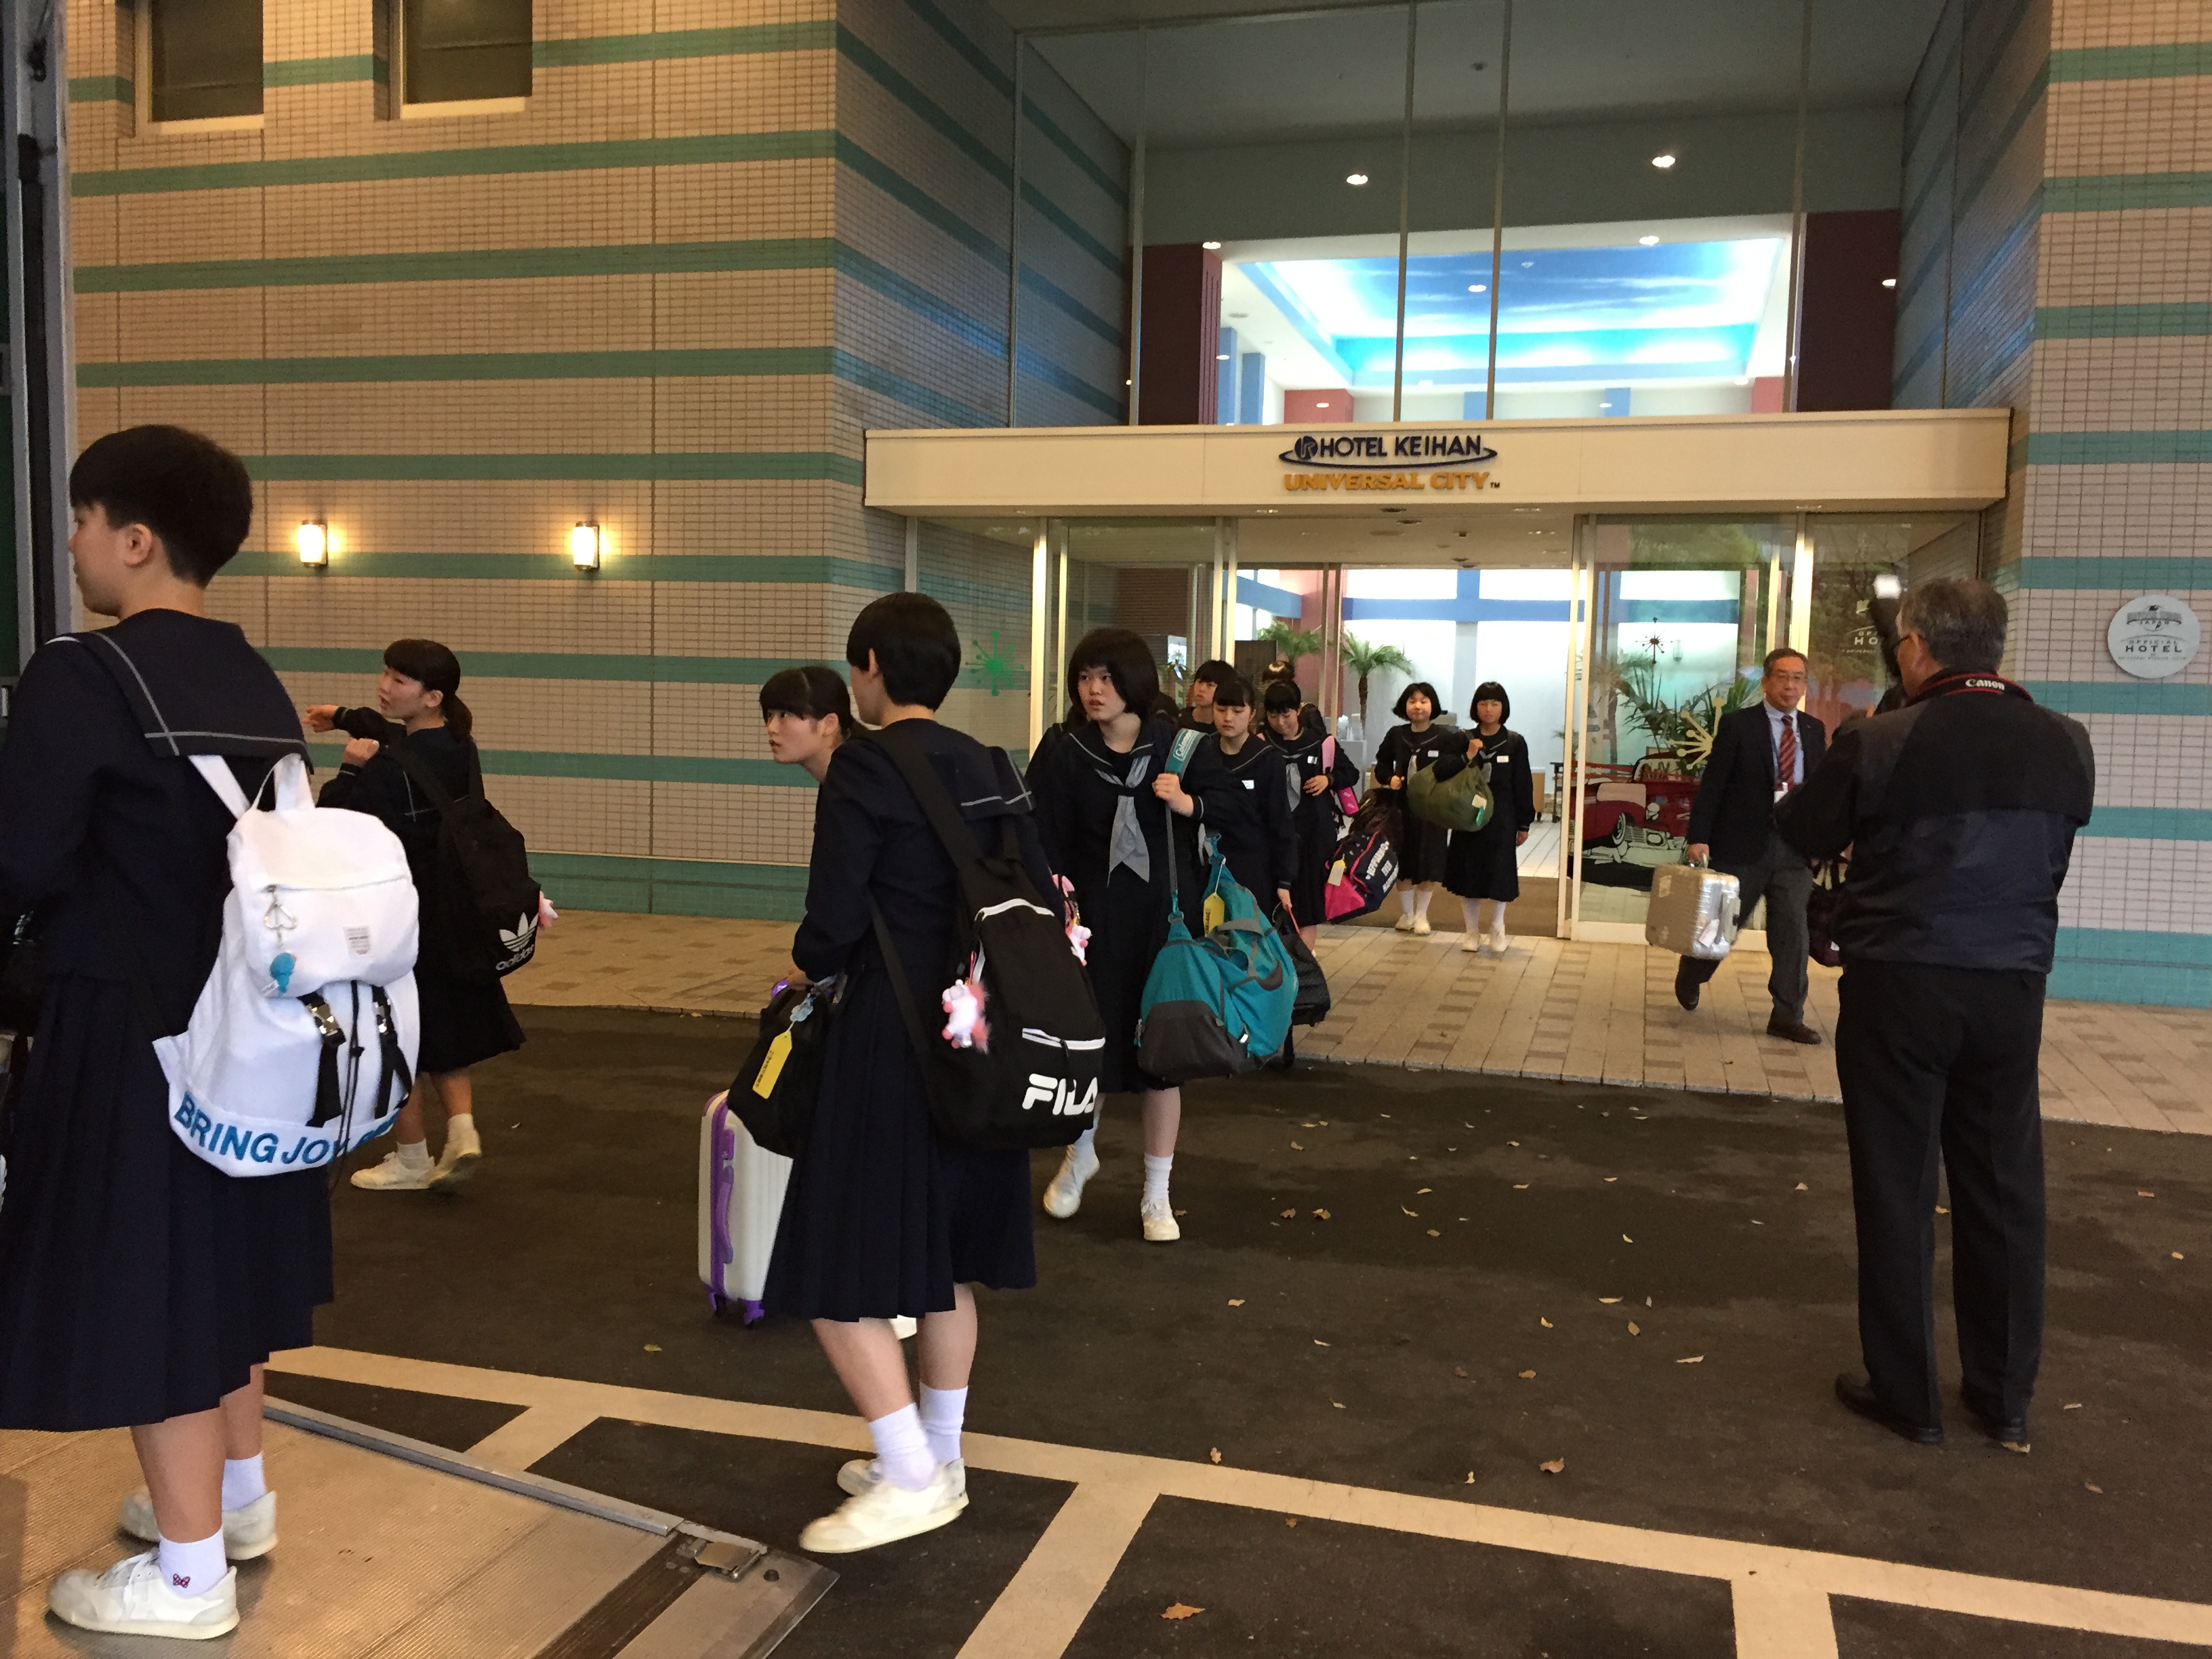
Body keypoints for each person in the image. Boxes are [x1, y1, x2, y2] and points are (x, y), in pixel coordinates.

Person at [0, 426, 325, 1640]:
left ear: (134, 539)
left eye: (83, 521)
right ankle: (235, 1503)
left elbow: (21, 857)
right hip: (252, 1035)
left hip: (128, 1033)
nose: (73, 543)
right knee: (220, 1275)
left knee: (156, 1290)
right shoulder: (249, 674)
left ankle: (190, 1579)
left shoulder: (83, 675)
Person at [763, 593, 1056, 1552]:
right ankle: (939, 1454)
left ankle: (909, 1473)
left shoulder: (865, 766)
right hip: (982, 1038)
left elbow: (832, 925)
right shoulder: (993, 764)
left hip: (888, 1043)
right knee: (948, 1263)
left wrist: (805, 966)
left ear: (872, 668)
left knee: (834, 1268)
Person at [1777, 578, 2093, 1450]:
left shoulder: (1881, 739)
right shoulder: (2065, 740)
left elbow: (1804, 831)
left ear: (1914, 647)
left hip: (1902, 981)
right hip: (2012, 985)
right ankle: (2004, 1395)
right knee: (2004, 1185)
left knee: (1898, 1182)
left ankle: (1907, 1393)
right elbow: (2052, 858)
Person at [308, 642, 525, 1192]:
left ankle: (411, 1159)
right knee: (442, 1026)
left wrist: (350, 769)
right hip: (455, 912)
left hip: (402, 918)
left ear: (432, 697)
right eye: (386, 673)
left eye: (400, 680)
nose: (385, 686)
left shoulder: (386, 768)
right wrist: (342, 716)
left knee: (396, 1035)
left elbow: (332, 820)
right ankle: (462, 1129)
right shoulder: (458, 743)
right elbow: (394, 733)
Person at [1029, 628, 1202, 1244]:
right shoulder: (1066, 752)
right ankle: (1080, 1156)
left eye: (1105, 677)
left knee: (1163, 1060)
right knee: (1088, 1050)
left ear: (1134, 681)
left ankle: (1158, 1194)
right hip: (1090, 927)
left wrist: (1189, 806)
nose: (1093, 690)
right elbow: (1041, 838)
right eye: (1084, 678)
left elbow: (1236, 821)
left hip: (1163, 926)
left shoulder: (1179, 748)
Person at [1676, 648, 1826, 1044]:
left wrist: (1823, 839)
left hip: (1794, 848)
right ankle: (1692, 973)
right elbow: (1714, 785)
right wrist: (1699, 837)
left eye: (1797, 678)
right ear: (1766, 682)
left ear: (1804, 685)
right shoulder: (1739, 725)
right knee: (1722, 926)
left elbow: (1820, 791)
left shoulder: (1813, 729)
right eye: (1782, 677)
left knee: (1793, 933)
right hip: (1743, 844)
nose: (1790, 685)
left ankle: (1788, 1015)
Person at [1159, 673, 1296, 920]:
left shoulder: (1267, 759)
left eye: (1237, 711)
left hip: (1251, 867)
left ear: (1252, 714)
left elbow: (1280, 821)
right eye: (1221, 710)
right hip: (1204, 866)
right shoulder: (1201, 752)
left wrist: (1284, 880)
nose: (1228, 718)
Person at [1435, 681, 1536, 955]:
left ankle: (1497, 926)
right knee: (1468, 872)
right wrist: (1467, 755)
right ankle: (1471, 931)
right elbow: (1441, 771)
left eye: (1494, 704)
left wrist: (1524, 822)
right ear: (1475, 707)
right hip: (1467, 815)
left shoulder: (1514, 742)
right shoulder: (1462, 738)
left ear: (1503, 708)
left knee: (1499, 872)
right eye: (1483, 703)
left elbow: (1523, 783)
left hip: (1502, 816)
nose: (1488, 709)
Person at [1264, 678, 1358, 949]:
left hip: (1314, 835)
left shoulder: (1321, 742)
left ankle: (1305, 960)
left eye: (1286, 715)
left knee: (1307, 903)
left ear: (1298, 710)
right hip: (1273, 835)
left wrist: (1328, 780)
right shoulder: (1261, 743)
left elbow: (1350, 773)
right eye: (1273, 716)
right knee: (1271, 900)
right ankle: (1279, 959)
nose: (1281, 723)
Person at [1373, 680, 1456, 934]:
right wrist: (1390, 779)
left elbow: (1454, 769)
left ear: (1433, 705)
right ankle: (1407, 914)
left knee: (1430, 861)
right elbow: (1381, 765)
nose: (1417, 706)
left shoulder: (1445, 737)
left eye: (1423, 701)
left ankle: (1422, 915)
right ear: (1405, 705)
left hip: (1432, 810)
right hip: (1401, 808)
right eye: (1412, 701)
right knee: (1402, 861)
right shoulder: (1396, 735)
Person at [759, 664, 852, 782]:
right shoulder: (843, 779)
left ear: (829, 724)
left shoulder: (858, 783)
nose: (771, 728)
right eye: (769, 715)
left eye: (785, 715)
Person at [1181, 659, 1233, 731]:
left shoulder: (1226, 727)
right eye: (1200, 682)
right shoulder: (1179, 720)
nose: (1202, 689)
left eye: (1210, 685)